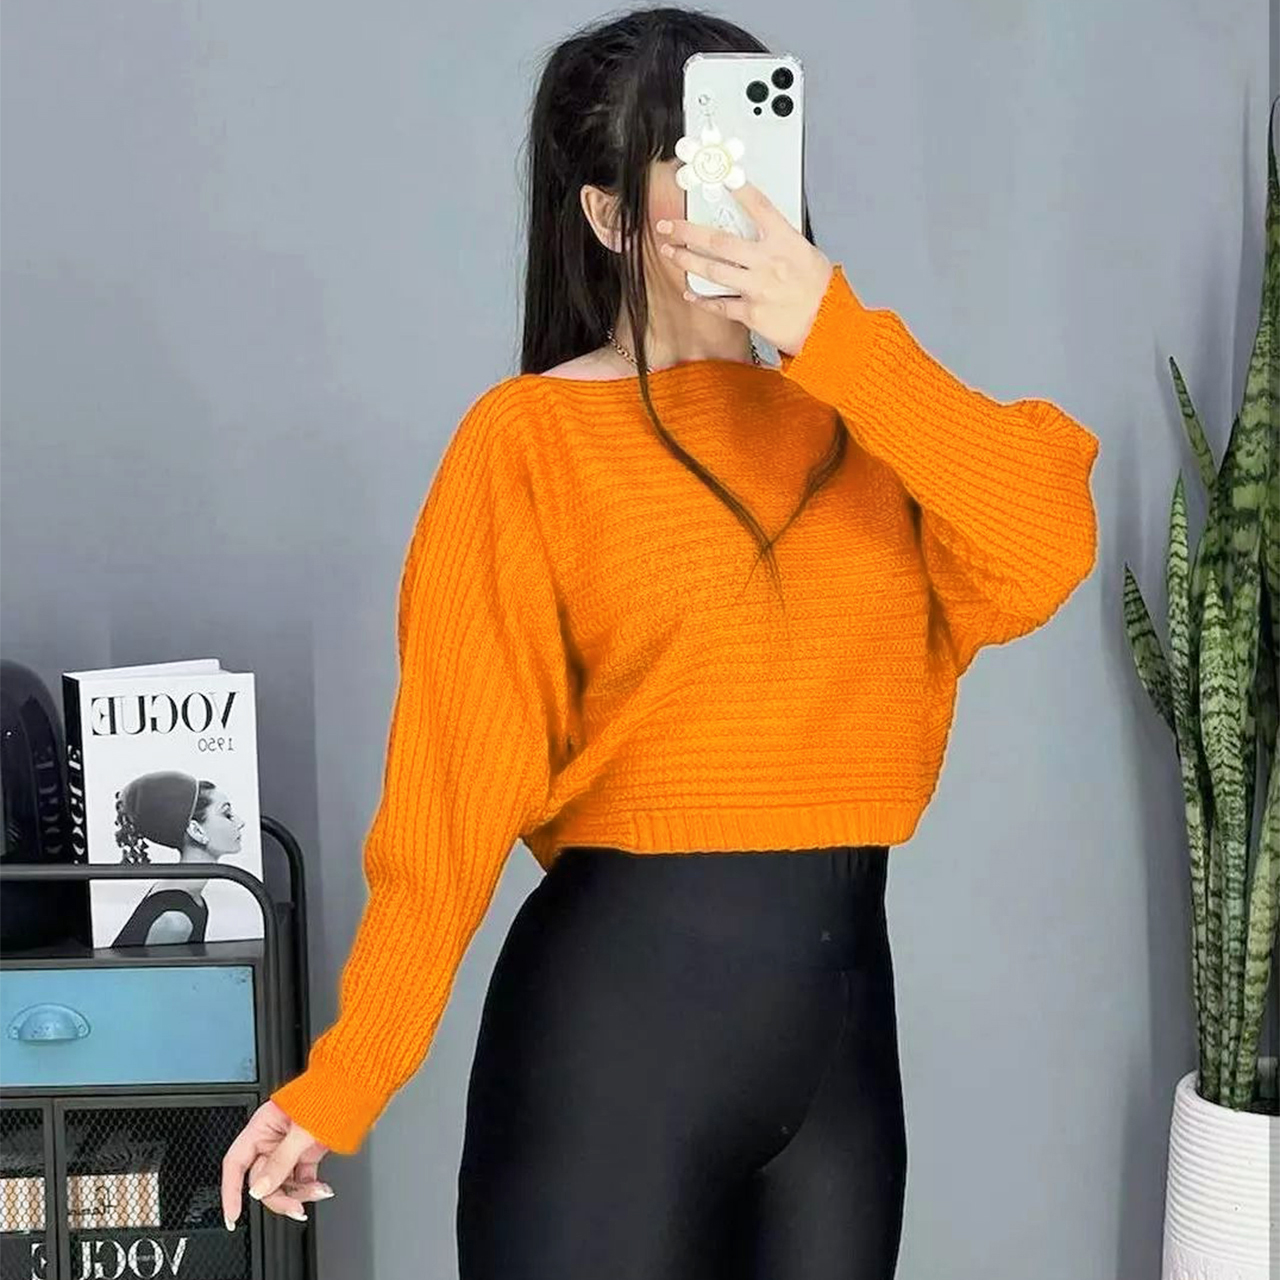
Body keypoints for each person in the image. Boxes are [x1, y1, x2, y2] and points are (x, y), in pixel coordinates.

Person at [219, 8, 1100, 1277]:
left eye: (750, 151)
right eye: (689, 163)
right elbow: (446, 807)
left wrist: (836, 334)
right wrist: (345, 1076)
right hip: (611, 1053)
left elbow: (1045, 537)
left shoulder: (871, 420)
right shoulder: (527, 444)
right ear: (605, 215)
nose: (733, 193)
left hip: (841, 1063)